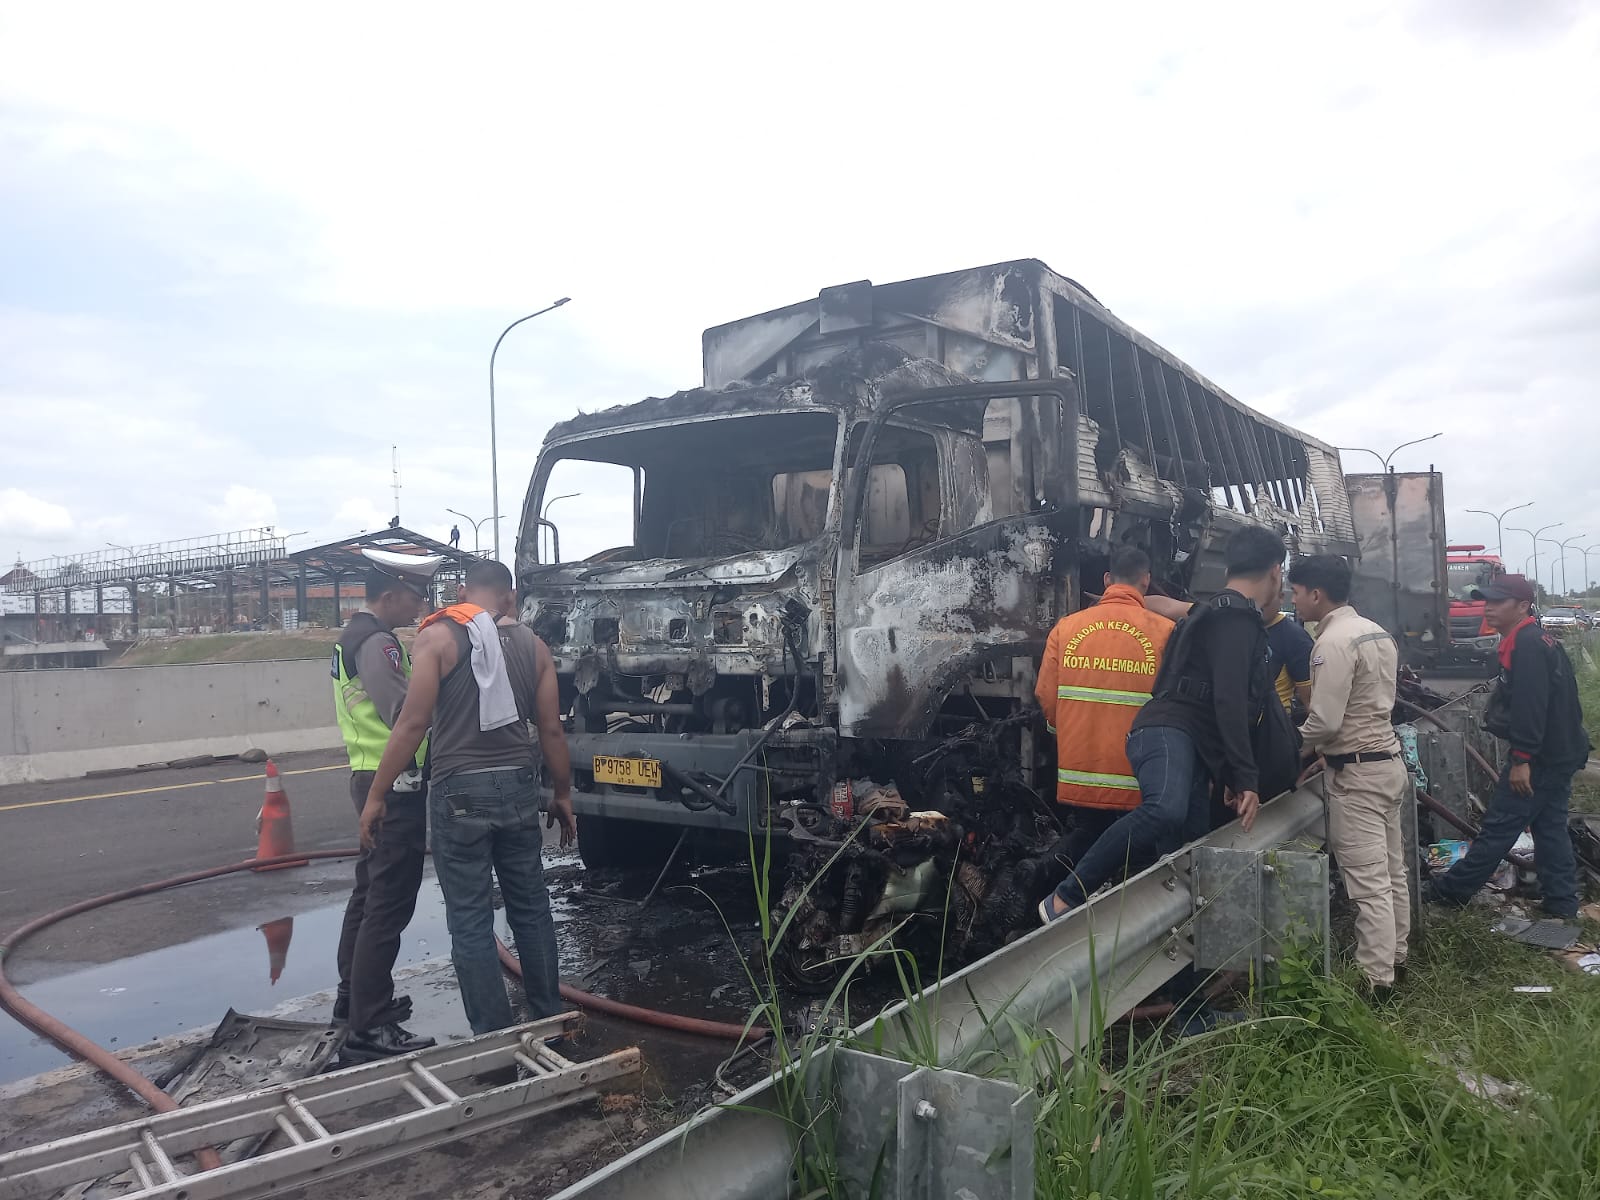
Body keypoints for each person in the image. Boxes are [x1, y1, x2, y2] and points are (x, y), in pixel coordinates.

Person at [363, 560, 577, 1034]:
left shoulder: (436, 638)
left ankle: (495, 1040)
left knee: (471, 921)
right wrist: (562, 793)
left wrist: (377, 794)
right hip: (519, 785)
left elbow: (413, 724)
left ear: (462, 592)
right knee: (532, 909)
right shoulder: (534, 647)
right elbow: (550, 730)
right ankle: (549, 1018)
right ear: (510, 597)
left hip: (459, 789)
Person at [1042, 525, 1287, 920]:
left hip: (1176, 738)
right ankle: (1065, 897)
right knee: (1165, 811)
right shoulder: (1235, 620)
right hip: (1168, 731)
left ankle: (1176, 938)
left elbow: (1170, 614)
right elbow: (1227, 701)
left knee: (1186, 843)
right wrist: (1245, 778)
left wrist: (1223, 774)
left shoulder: (1213, 610)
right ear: (1276, 571)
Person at [1425, 574, 1591, 919]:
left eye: (1498, 601)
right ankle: (1562, 904)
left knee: (1499, 829)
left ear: (1522, 606)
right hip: (1560, 753)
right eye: (1486, 600)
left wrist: (1521, 760)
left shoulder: (1528, 645)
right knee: (1549, 828)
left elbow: (1531, 708)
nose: (1489, 607)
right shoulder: (1531, 639)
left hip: (1543, 757)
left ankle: (1450, 891)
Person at [330, 554, 441, 1061]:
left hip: (368, 772)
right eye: (417, 596)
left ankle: (354, 1000)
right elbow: (404, 712)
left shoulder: (350, 637)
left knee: (368, 889)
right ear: (390, 594)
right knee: (388, 902)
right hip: (391, 781)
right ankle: (370, 1026)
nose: (421, 606)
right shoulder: (378, 643)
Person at [1289, 555, 1409, 997]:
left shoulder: (1331, 643)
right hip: (1387, 763)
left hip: (1356, 777)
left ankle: (1375, 981)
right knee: (1393, 871)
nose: (1294, 600)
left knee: (1367, 883)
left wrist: (1293, 750)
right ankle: (1397, 956)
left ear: (1316, 594)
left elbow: (1324, 722)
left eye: (1297, 593)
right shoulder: (1378, 633)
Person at [1033, 546, 1175, 914]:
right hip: (1139, 779)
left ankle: (1052, 903)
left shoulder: (1067, 628)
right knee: (1135, 861)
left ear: (1107, 580)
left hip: (1083, 774)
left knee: (1086, 841)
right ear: (1145, 581)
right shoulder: (1165, 632)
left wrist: (1061, 729)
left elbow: (1046, 697)